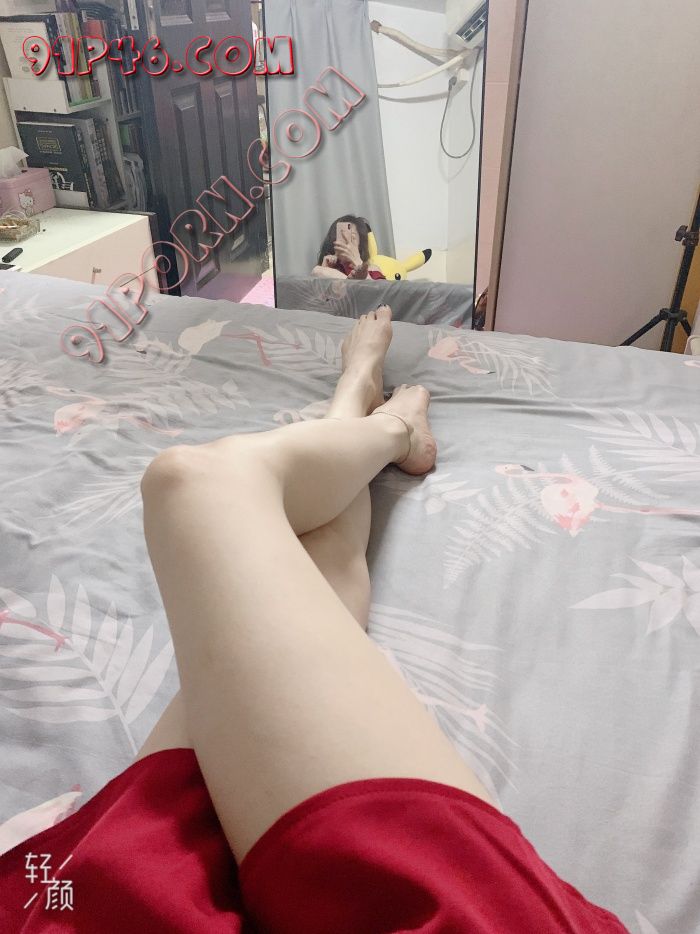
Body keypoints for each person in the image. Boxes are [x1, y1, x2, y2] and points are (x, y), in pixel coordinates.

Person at [0, 307, 630, 933]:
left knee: (312, 565)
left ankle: (353, 406)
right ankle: (388, 428)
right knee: (193, 484)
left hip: (109, 895)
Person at [311, 213, 386, 280]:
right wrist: (325, 270)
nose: (347, 242)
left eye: (352, 237)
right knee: (317, 270)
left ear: (360, 243)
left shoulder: (372, 270)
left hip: (364, 283)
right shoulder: (325, 269)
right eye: (341, 237)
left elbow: (382, 290)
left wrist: (357, 261)